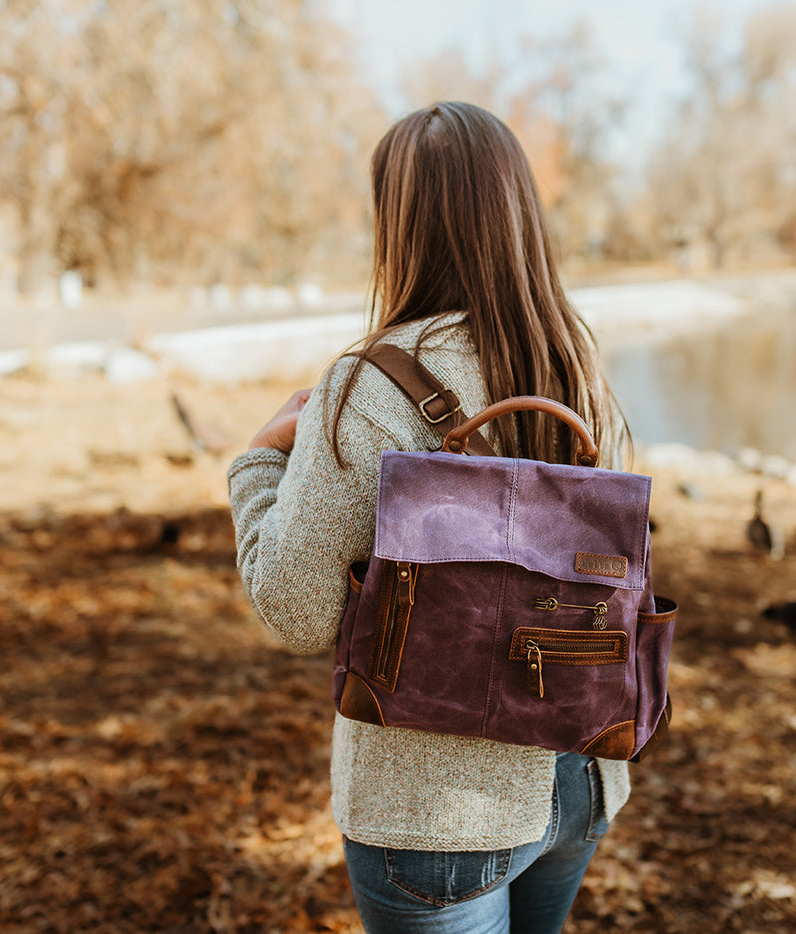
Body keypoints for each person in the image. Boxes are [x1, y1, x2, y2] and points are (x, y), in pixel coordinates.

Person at [228, 101, 631, 934]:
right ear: (517, 214)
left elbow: (295, 610)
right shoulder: (579, 365)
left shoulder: (369, 383)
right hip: (578, 767)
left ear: (399, 222)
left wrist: (259, 461)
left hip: (436, 810)